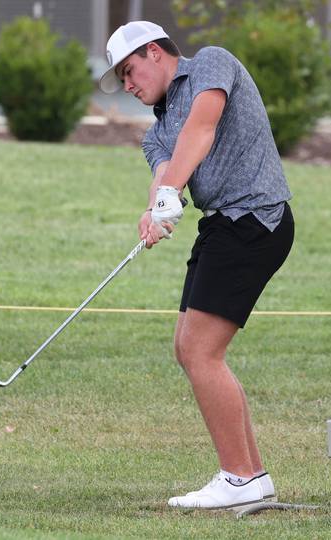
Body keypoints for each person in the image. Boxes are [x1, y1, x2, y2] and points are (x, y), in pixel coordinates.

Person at [100, 21, 294, 511]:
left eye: (129, 71)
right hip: (222, 225)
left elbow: (202, 127)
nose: (127, 85)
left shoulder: (212, 63)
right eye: (121, 78)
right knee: (188, 349)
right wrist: (153, 209)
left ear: (155, 52)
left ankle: (238, 477)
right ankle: (253, 475)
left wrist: (169, 194)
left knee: (201, 350)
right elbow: (164, 169)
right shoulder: (156, 132)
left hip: (256, 217)